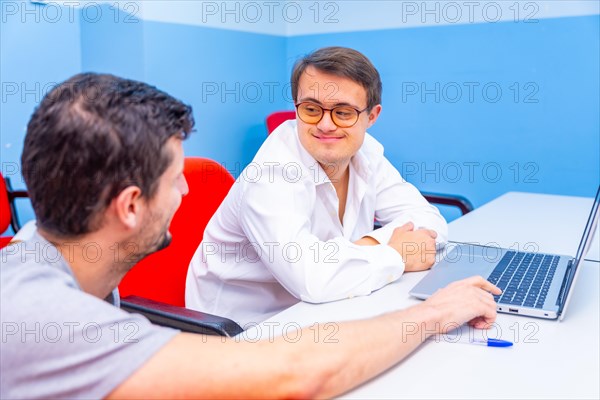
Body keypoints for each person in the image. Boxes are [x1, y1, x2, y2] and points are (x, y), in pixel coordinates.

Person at [0, 73, 500, 399]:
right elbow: (296, 374)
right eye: (176, 177)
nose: (188, 188)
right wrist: (434, 312)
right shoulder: (38, 314)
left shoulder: (42, 254)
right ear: (130, 205)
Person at [186, 47, 448, 326]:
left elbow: (431, 224)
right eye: (311, 109)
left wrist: (365, 246)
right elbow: (312, 280)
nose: (325, 124)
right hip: (243, 328)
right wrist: (394, 252)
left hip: (323, 310)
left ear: (372, 116)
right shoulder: (271, 175)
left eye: (343, 112)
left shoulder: (366, 154)